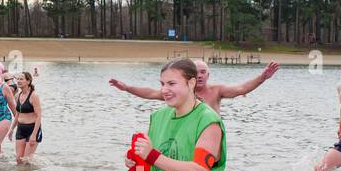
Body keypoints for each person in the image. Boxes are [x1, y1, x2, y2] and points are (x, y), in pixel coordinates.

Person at [109, 59, 280, 114]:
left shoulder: (217, 91)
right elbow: (152, 93)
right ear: (189, 76)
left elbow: (241, 89)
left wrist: (263, 77)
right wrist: (127, 88)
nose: (200, 75)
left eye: (203, 72)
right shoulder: (181, 93)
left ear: (208, 75)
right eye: (196, 72)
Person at [13, 71, 42, 164]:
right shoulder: (17, 95)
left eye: (21, 79)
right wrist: (11, 129)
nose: (18, 81)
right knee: (18, 160)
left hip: (32, 129)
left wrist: (34, 135)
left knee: (26, 160)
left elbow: (39, 116)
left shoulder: (34, 95)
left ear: (28, 81)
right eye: (17, 79)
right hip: (21, 129)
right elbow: (17, 114)